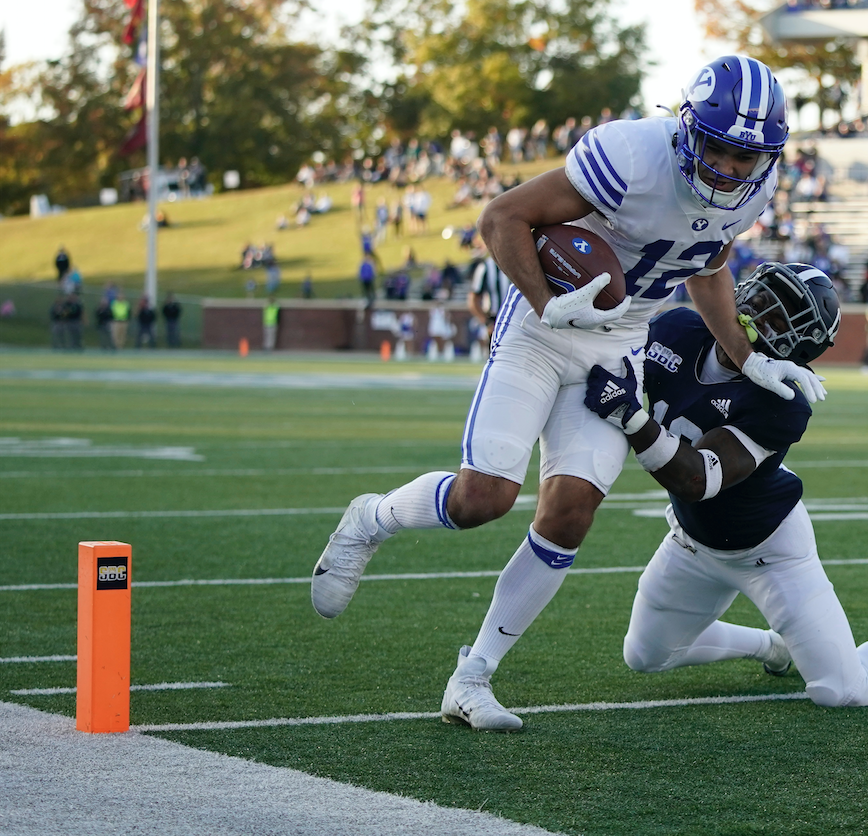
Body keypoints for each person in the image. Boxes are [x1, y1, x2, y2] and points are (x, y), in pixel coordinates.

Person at [309, 55, 825, 731]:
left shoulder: (754, 189)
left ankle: (472, 677)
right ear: (688, 129)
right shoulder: (634, 155)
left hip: (619, 341)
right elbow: (502, 219)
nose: (730, 168)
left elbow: (710, 261)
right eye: (719, 149)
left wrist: (746, 356)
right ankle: (371, 518)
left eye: (746, 156)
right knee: (483, 499)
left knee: (570, 512)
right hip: (543, 324)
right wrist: (547, 302)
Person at [586, 262, 868, 707]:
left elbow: (696, 477)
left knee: (842, 692)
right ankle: (770, 646)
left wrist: (629, 416)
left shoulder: (783, 401)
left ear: (798, 349)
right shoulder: (677, 326)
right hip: (692, 541)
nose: (756, 315)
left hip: (769, 551)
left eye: (777, 318)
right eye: (759, 299)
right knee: (644, 655)